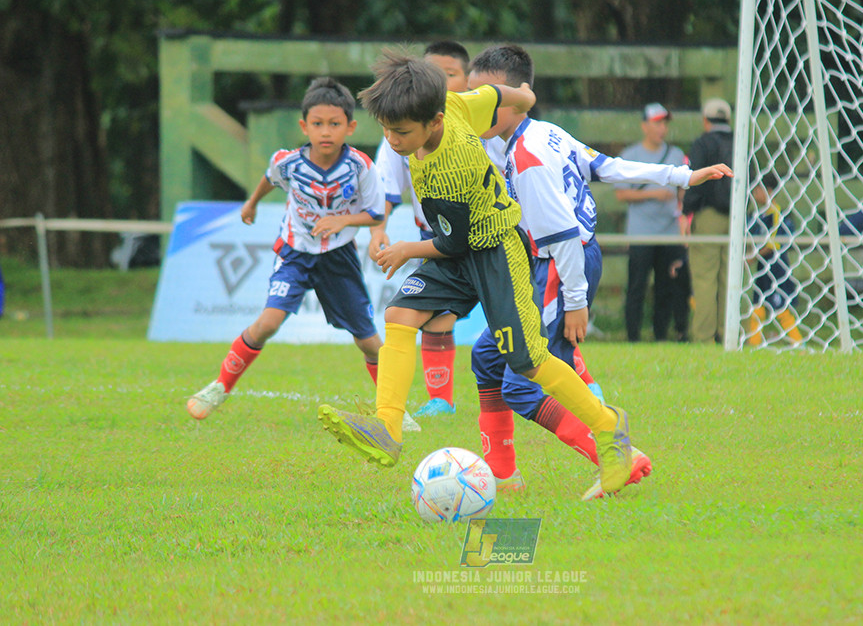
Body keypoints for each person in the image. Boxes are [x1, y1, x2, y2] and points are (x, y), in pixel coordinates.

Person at [316, 49, 691, 495]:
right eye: (386, 130)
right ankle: (389, 428)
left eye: (400, 132)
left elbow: (450, 243)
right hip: (461, 251)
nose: (393, 141)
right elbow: (493, 95)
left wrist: (404, 251)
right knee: (399, 316)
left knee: (528, 361)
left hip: (495, 251)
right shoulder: (454, 106)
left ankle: (609, 426)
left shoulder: (446, 168)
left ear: (433, 121)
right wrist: (524, 95)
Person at [465, 44, 734, 499]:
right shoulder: (544, 133)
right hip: (557, 263)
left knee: (522, 381)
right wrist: (681, 177)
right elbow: (608, 167)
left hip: (559, 266)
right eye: (471, 96)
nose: (476, 107)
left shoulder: (528, 161)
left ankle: (614, 452)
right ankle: (504, 476)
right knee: (488, 356)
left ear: (520, 97)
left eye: (487, 96)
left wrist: (575, 304)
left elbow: (563, 235)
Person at [186, 77, 386, 419]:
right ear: (303, 126)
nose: (326, 132)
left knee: (368, 340)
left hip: (338, 257)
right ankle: (219, 387)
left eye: (334, 124)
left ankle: (392, 407)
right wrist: (250, 204)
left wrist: (343, 221)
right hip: (294, 253)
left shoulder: (361, 167)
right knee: (267, 323)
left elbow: (376, 213)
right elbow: (269, 178)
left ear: (350, 127)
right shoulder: (288, 162)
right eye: (318, 124)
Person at [368, 41, 479, 418]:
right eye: (435, 75)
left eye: (450, 75)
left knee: (522, 337)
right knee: (420, 314)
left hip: (492, 242)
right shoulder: (403, 130)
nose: (442, 83)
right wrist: (377, 229)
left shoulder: (476, 127)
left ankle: (582, 388)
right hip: (437, 240)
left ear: (468, 80)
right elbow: (386, 184)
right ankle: (434, 402)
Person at [615, 102, 690, 342]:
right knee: (636, 287)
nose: (662, 128)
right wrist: (652, 194)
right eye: (657, 123)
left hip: (668, 233)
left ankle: (661, 335)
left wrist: (684, 219)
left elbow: (683, 192)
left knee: (666, 288)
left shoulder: (676, 155)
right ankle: (633, 337)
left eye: (665, 123)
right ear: (644, 126)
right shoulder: (630, 156)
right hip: (640, 234)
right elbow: (621, 194)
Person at [682, 98, 735, 344]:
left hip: (708, 216)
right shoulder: (741, 141)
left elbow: (696, 182)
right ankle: (731, 334)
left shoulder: (703, 143)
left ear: (705, 121)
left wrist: (686, 212)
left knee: (705, 279)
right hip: (737, 218)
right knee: (732, 278)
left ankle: (704, 338)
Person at [746, 172, 801, 347]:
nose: (754, 192)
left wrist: (752, 257)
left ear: (769, 191)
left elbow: (773, 245)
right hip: (763, 269)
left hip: (777, 269)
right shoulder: (757, 215)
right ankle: (753, 344)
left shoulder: (777, 214)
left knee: (781, 309)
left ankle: (799, 344)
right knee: (757, 306)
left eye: (758, 188)